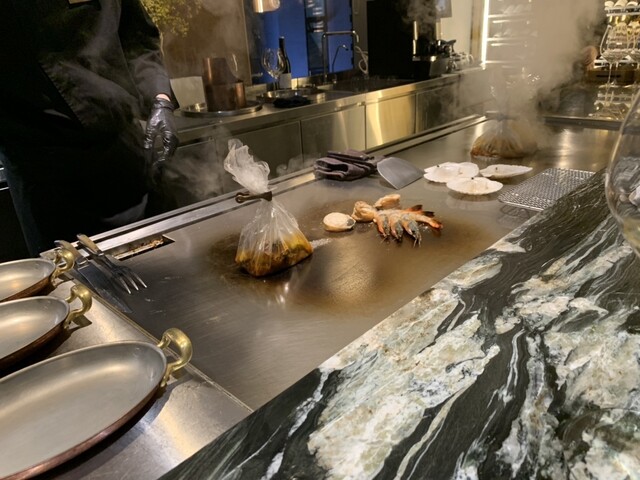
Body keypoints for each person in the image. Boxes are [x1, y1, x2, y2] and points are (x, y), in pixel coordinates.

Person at [0, 0, 179, 256]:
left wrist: (160, 98)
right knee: (74, 277)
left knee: (160, 260)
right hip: (50, 173)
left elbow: (138, 39)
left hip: (128, 151)